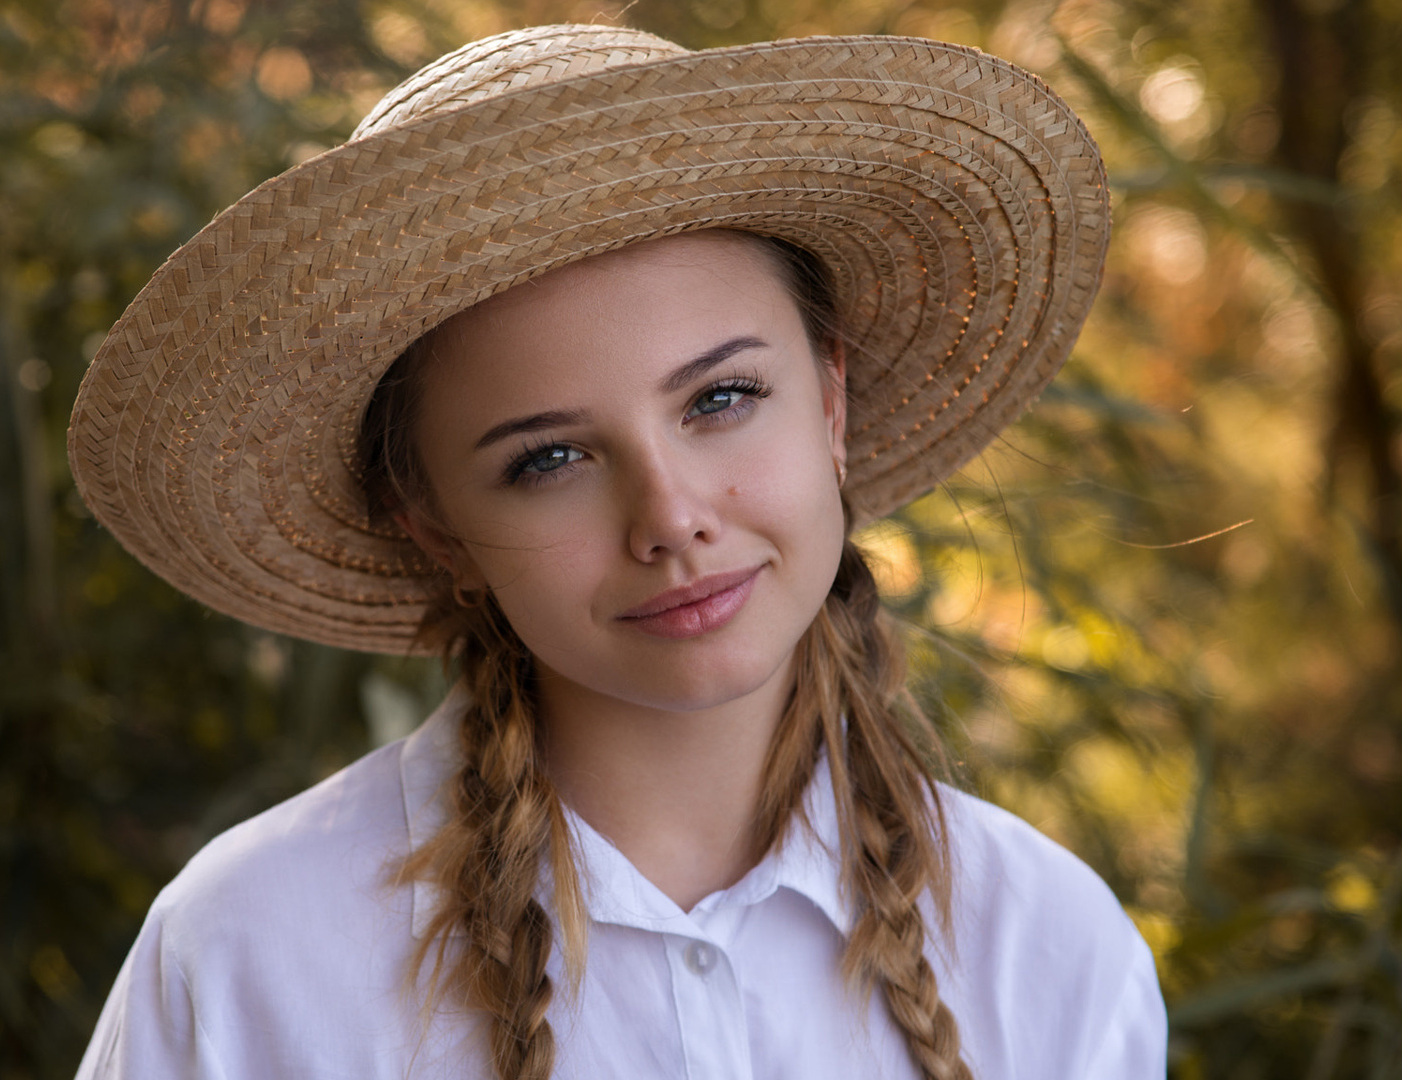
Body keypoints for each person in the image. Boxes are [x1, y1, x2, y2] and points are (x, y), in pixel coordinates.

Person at [66, 23, 1165, 1080]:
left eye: (722, 397)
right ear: (435, 526)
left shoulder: (1051, 953)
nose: (671, 517)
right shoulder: (249, 957)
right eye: (548, 460)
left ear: (831, 401)